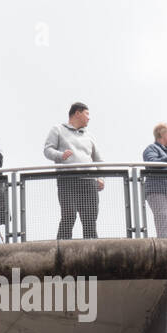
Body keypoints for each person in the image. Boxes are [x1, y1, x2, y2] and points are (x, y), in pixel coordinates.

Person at [43, 102, 104, 240]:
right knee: (69, 215)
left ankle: (92, 252)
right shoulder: (57, 129)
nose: (89, 118)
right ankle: (61, 249)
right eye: (87, 114)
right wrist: (60, 155)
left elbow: (99, 160)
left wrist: (101, 177)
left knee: (90, 219)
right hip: (67, 180)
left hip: (89, 181)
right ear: (77, 113)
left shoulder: (90, 135)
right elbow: (47, 150)